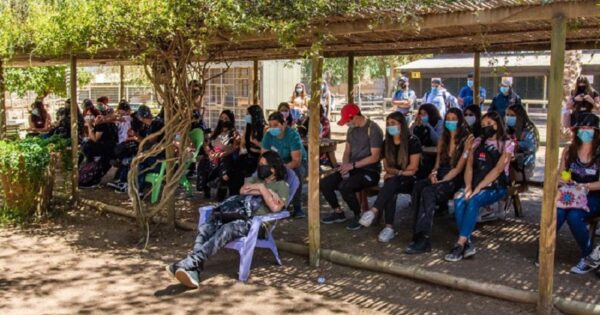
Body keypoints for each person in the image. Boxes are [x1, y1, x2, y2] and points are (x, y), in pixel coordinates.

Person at [166, 151, 289, 288]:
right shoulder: (257, 179)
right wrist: (266, 191)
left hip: (257, 225)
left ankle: (188, 264)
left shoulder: (282, 186)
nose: (260, 167)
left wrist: (261, 188)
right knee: (206, 227)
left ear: (273, 168)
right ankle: (194, 270)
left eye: (263, 165)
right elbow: (243, 190)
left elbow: (275, 208)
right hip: (238, 215)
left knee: (227, 229)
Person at [445, 111, 514, 262]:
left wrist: (477, 189)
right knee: (459, 199)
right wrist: (469, 186)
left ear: (498, 124)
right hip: (474, 183)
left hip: (494, 187)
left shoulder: (507, 144)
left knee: (473, 200)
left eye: (489, 124)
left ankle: (459, 244)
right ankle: (467, 242)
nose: (486, 127)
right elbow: (469, 167)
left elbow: (497, 170)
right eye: (483, 125)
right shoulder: (477, 142)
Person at [406, 108, 473, 254]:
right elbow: (437, 163)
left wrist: (441, 181)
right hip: (441, 173)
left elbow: (458, 168)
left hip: (455, 177)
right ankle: (416, 234)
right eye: (448, 118)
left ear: (460, 121)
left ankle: (425, 239)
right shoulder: (443, 138)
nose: (450, 121)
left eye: (454, 118)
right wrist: (433, 174)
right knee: (418, 187)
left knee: (429, 192)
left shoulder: (466, 140)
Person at [358, 111, 421, 242]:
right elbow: (386, 168)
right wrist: (396, 173)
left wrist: (397, 173)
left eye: (393, 123)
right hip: (395, 179)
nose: (390, 126)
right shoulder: (387, 142)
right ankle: (388, 228)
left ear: (401, 125)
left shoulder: (413, 141)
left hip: (411, 180)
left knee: (391, 181)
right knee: (390, 185)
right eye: (388, 124)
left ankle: (374, 212)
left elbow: (413, 168)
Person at [320, 103, 384, 230]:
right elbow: (347, 152)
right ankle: (338, 212)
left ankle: (357, 214)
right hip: (352, 167)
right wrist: (345, 166)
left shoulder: (374, 129)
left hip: (369, 170)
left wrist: (353, 165)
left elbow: (375, 157)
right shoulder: (351, 129)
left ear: (354, 116)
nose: (347, 124)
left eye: (347, 121)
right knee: (325, 183)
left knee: (345, 186)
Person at [553, 114, 600, 274]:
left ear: (596, 131)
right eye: (581, 128)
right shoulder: (569, 150)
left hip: (593, 196)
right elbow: (560, 174)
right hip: (571, 194)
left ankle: (587, 257)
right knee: (557, 212)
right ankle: (545, 250)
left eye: (588, 128)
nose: (584, 131)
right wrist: (565, 179)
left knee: (574, 216)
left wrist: (584, 186)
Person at [262, 112, 307, 218]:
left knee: (296, 174)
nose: (273, 128)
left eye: (276, 125)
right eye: (271, 125)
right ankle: (273, 204)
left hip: (296, 161)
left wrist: (280, 170)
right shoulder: (268, 135)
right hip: (277, 161)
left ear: (284, 124)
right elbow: (264, 156)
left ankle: (297, 207)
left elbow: (296, 161)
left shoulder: (293, 135)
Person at [197, 110, 241, 201]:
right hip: (212, 158)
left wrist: (220, 154)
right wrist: (209, 152)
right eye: (221, 118)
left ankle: (221, 193)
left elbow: (234, 149)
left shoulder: (234, 134)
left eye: (226, 118)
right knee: (203, 162)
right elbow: (207, 145)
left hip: (225, 159)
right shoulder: (215, 132)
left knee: (225, 162)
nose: (223, 120)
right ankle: (205, 188)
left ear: (230, 120)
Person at [505, 104, 539, 181]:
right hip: (511, 163)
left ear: (519, 116)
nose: (509, 117)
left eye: (512, 115)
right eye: (507, 115)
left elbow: (531, 146)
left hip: (525, 165)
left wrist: (515, 143)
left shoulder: (528, 129)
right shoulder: (508, 128)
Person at [239, 105, 266, 178]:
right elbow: (242, 144)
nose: (246, 116)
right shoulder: (248, 127)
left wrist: (255, 142)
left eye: (248, 114)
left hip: (259, 158)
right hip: (248, 156)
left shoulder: (264, 129)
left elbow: (266, 147)